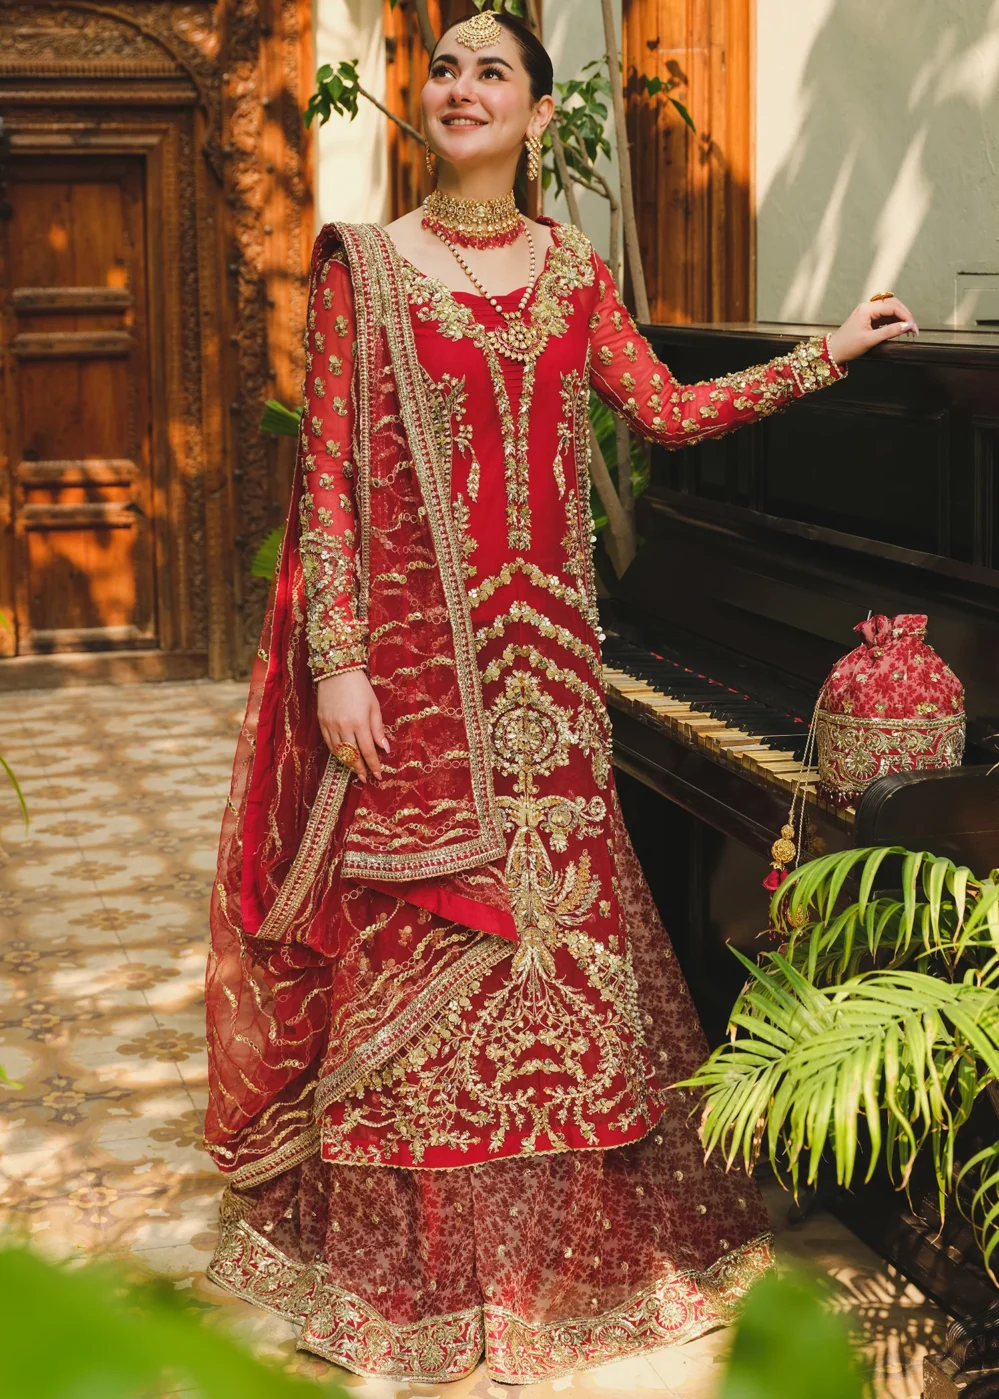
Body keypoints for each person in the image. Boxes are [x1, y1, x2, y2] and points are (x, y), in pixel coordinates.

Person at [204, 9, 917, 1383]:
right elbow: (330, 475)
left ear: (539, 116)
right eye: (446, 69)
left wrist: (826, 353)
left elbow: (669, 413)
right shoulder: (367, 268)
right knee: (425, 947)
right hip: (416, 683)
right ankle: (421, 1278)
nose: (460, 87)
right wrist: (339, 659)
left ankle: (548, 1267)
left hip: (546, 684)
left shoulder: (572, 269)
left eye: (494, 73)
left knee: (557, 956)